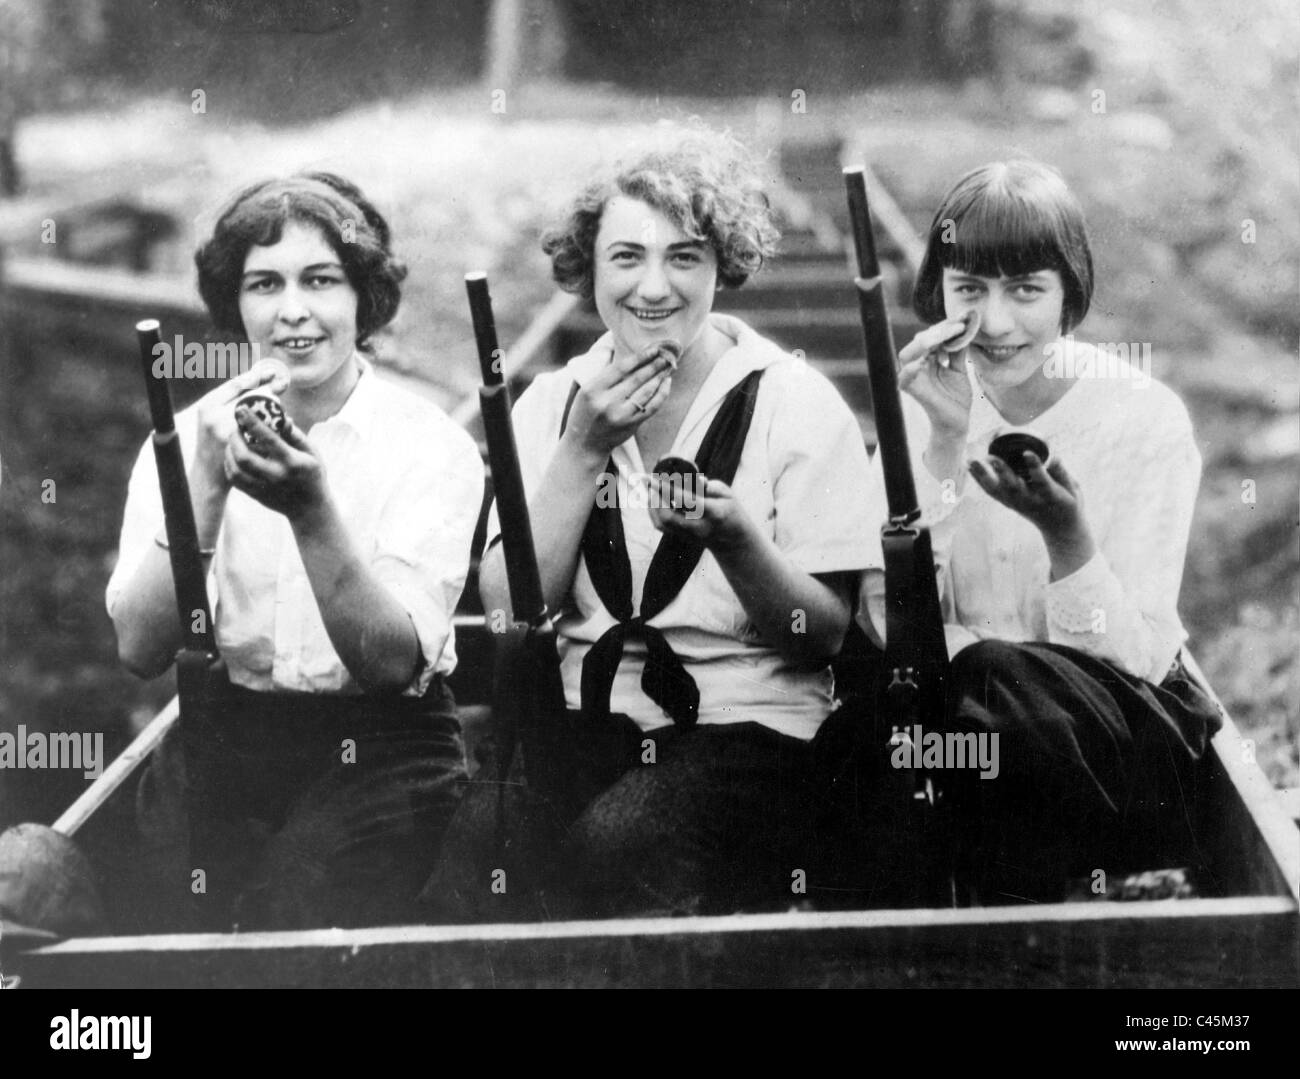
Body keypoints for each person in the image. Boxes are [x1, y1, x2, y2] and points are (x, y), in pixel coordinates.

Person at [475, 128, 876, 918]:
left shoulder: (792, 401)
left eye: (684, 257)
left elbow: (821, 633)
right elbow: (505, 611)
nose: (654, 287)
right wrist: (581, 452)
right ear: (588, 269)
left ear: (721, 266)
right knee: (475, 854)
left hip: (750, 733)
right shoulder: (554, 403)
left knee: (619, 848)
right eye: (626, 258)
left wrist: (735, 540)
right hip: (581, 725)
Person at [106, 173, 484, 930]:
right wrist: (205, 486)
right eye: (263, 284)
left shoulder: (429, 446)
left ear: (364, 298)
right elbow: (141, 648)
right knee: (163, 908)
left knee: (296, 902)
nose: (293, 312)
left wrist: (311, 510)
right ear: (234, 303)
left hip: (387, 743)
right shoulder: (184, 441)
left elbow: (388, 664)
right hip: (230, 727)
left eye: (322, 280)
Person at [856, 160, 1222, 904]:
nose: (993, 324)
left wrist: (1067, 539)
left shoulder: (1142, 419)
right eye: (969, 290)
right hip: (972, 742)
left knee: (998, 678)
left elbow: (1138, 656)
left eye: (1025, 290)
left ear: (1068, 296)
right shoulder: (927, 404)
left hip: (1120, 740)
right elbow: (884, 619)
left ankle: (1011, 934)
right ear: (940, 296)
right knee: (857, 754)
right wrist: (942, 442)